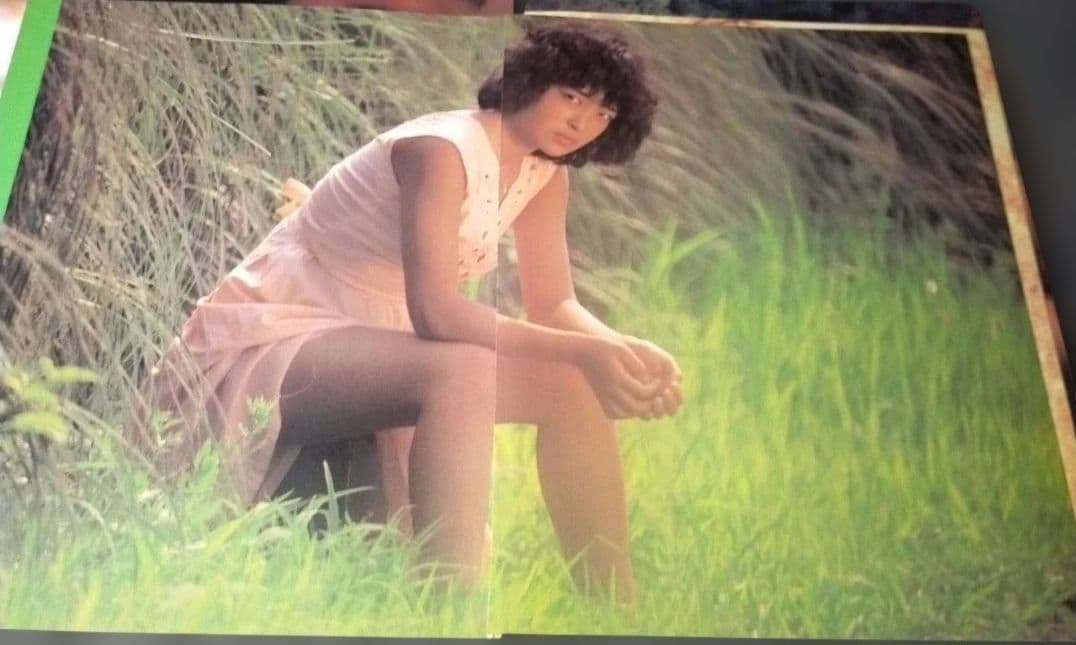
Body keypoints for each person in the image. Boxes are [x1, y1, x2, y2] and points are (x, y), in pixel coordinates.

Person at [141, 21, 681, 602]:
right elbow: (438, 314)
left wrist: (620, 350)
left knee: (573, 386)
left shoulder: (543, 174)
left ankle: (613, 610)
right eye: (571, 96)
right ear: (530, 79)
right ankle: (449, 610)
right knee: (465, 368)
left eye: (601, 112)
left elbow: (554, 303)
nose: (581, 122)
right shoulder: (441, 149)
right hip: (279, 331)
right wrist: (586, 351)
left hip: (376, 340)